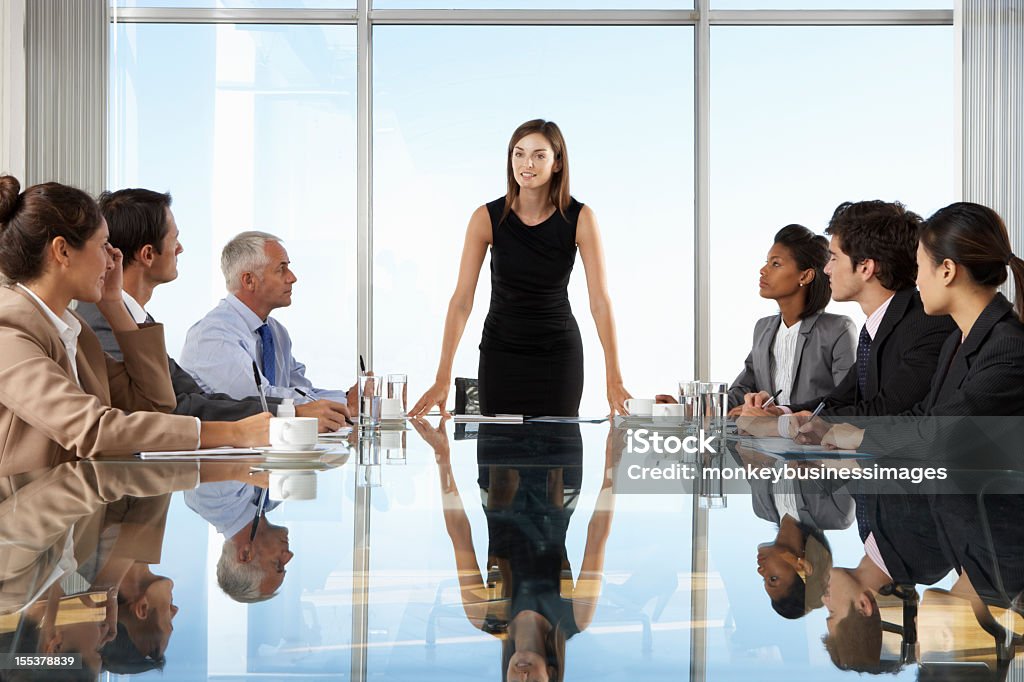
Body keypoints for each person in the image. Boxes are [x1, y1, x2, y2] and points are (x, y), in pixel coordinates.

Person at [0, 176, 268, 476]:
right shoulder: (8, 333)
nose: (112, 262)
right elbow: (91, 430)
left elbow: (155, 405)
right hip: (20, 515)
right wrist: (232, 434)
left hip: (70, 513)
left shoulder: (73, 330)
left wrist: (114, 305)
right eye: (103, 246)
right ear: (63, 251)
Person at [76, 188, 350, 432]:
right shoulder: (102, 321)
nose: (181, 249)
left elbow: (194, 397)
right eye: (175, 240)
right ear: (148, 255)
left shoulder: (137, 319)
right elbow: (170, 409)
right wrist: (289, 415)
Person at [410, 119, 631, 418]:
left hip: (558, 356)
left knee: (558, 457)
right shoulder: (485, 218)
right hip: (501, 355)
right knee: (498, 457)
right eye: (519, 153)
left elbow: (600, 303)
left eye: (539, 155)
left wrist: (614, 380)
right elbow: (461, 301)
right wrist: (442, 378)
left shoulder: (580, 218)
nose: (527, 163)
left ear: (557, 163)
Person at [807, 202, 1024, 455]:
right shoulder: (957, 339)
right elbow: (922, 416)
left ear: (947, 271)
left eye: (920, 268)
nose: (917, 281)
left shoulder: (1009, 347)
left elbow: (941, 434)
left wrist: (858, 437)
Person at [738, 200, 957, 439]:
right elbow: (839, 399)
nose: (827, 270)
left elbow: (884, 411)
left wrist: (780, 426)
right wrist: (779, 411)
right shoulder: (878, 325)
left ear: (866, 267)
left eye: (834, 258)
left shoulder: (927, 323)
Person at [180, 231, 354, 411]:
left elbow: (303, 393)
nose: (292, 277)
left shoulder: (275, 331)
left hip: (273, 437)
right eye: (281, 269)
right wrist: (345, 404)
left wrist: (348, 398)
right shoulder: (213, 335)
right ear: (249, 280)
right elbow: (261, 401)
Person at [718, 224, 857, 413]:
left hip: (813, 439)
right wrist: (686, 406)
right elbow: (742, 389)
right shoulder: (763, 328)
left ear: (806, 275)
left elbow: (846, 401)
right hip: (763, 439)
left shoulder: (838, 329)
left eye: (775, 264)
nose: (763, 270)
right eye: (766, 262)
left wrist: (780, 414)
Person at [184, 480, 293, 602]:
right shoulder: (273, 501)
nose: (289, 556)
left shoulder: (212, 501)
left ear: (245, 554)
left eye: (278, 564)